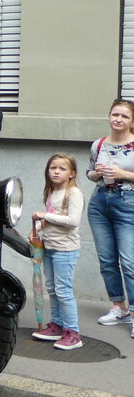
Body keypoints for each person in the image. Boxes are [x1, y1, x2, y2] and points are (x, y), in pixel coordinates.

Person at [86, 98, 134, 335]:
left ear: (132, 121)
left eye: (124, 116)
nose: (118, 119)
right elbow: (89, 171)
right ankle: (119, 306)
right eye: (115, 114)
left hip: (128, 205)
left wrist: (122, 173)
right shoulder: (99, 144)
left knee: (129, 262)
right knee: (107, 260)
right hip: (99, 204)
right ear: (109, 116)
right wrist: (96, 174)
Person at [29, 154, 85, 350]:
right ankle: (57, 325)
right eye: (53, 167)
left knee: (64, 290)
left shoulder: (74, 193)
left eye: (62, 168)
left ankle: (73, 332)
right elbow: (49, 221)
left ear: (72, 174)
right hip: (50, 247)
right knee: (52, 288)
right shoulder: (52, 193)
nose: (57, 171)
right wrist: (37, 230)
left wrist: (46, 215)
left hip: (65, 250)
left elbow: (73, 221)